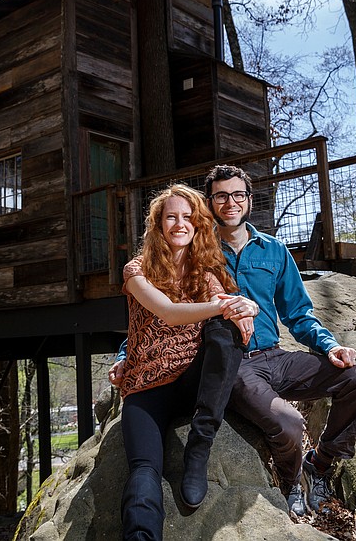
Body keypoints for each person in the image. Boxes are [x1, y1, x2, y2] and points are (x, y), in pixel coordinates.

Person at [110, 165, 356, 518]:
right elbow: (158, 308)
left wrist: (330, 346)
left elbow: (298, 314)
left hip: (274, 354)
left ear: (249, 200)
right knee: (289, 423)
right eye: (221, 196)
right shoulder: (198, 251)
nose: (230, 202)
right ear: (210, 203)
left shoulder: (274, 250)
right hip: (231, 365)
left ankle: (321, 463)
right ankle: (291, 480)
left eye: (238, 195)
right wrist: (127, 354)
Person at [116, 183, 256, 541]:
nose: (180, 224)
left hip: (192, 382)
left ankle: (201, 442)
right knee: (144, 467)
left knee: (227, 329)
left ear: (197, 226)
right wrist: (226, 305)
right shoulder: (136, 271)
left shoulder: (205, 275)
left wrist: (245, 308)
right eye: (171, 217)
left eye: (187, 218)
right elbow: (171, 313)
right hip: (147, 387)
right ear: (158, 225)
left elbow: (232, 314)